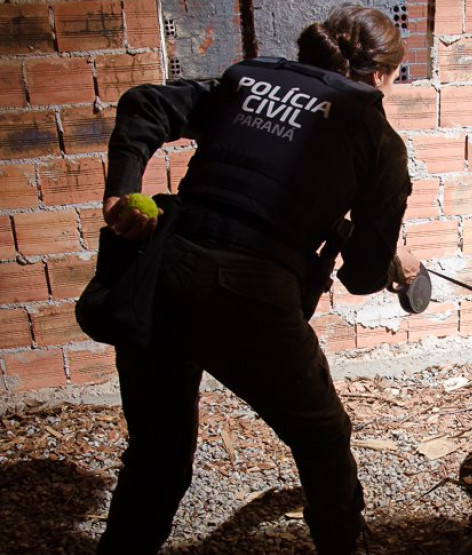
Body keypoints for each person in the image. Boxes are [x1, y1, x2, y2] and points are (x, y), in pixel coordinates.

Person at [95, 5, 421, 554]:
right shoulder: (376, 135)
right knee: (322, 438)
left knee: (158, 458)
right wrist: (392, 261)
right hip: (248, 294)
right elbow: (364, 277)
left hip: (161, 274)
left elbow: (146, 102)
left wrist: (120, 190)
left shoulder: (245, 80)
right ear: (382, 76)